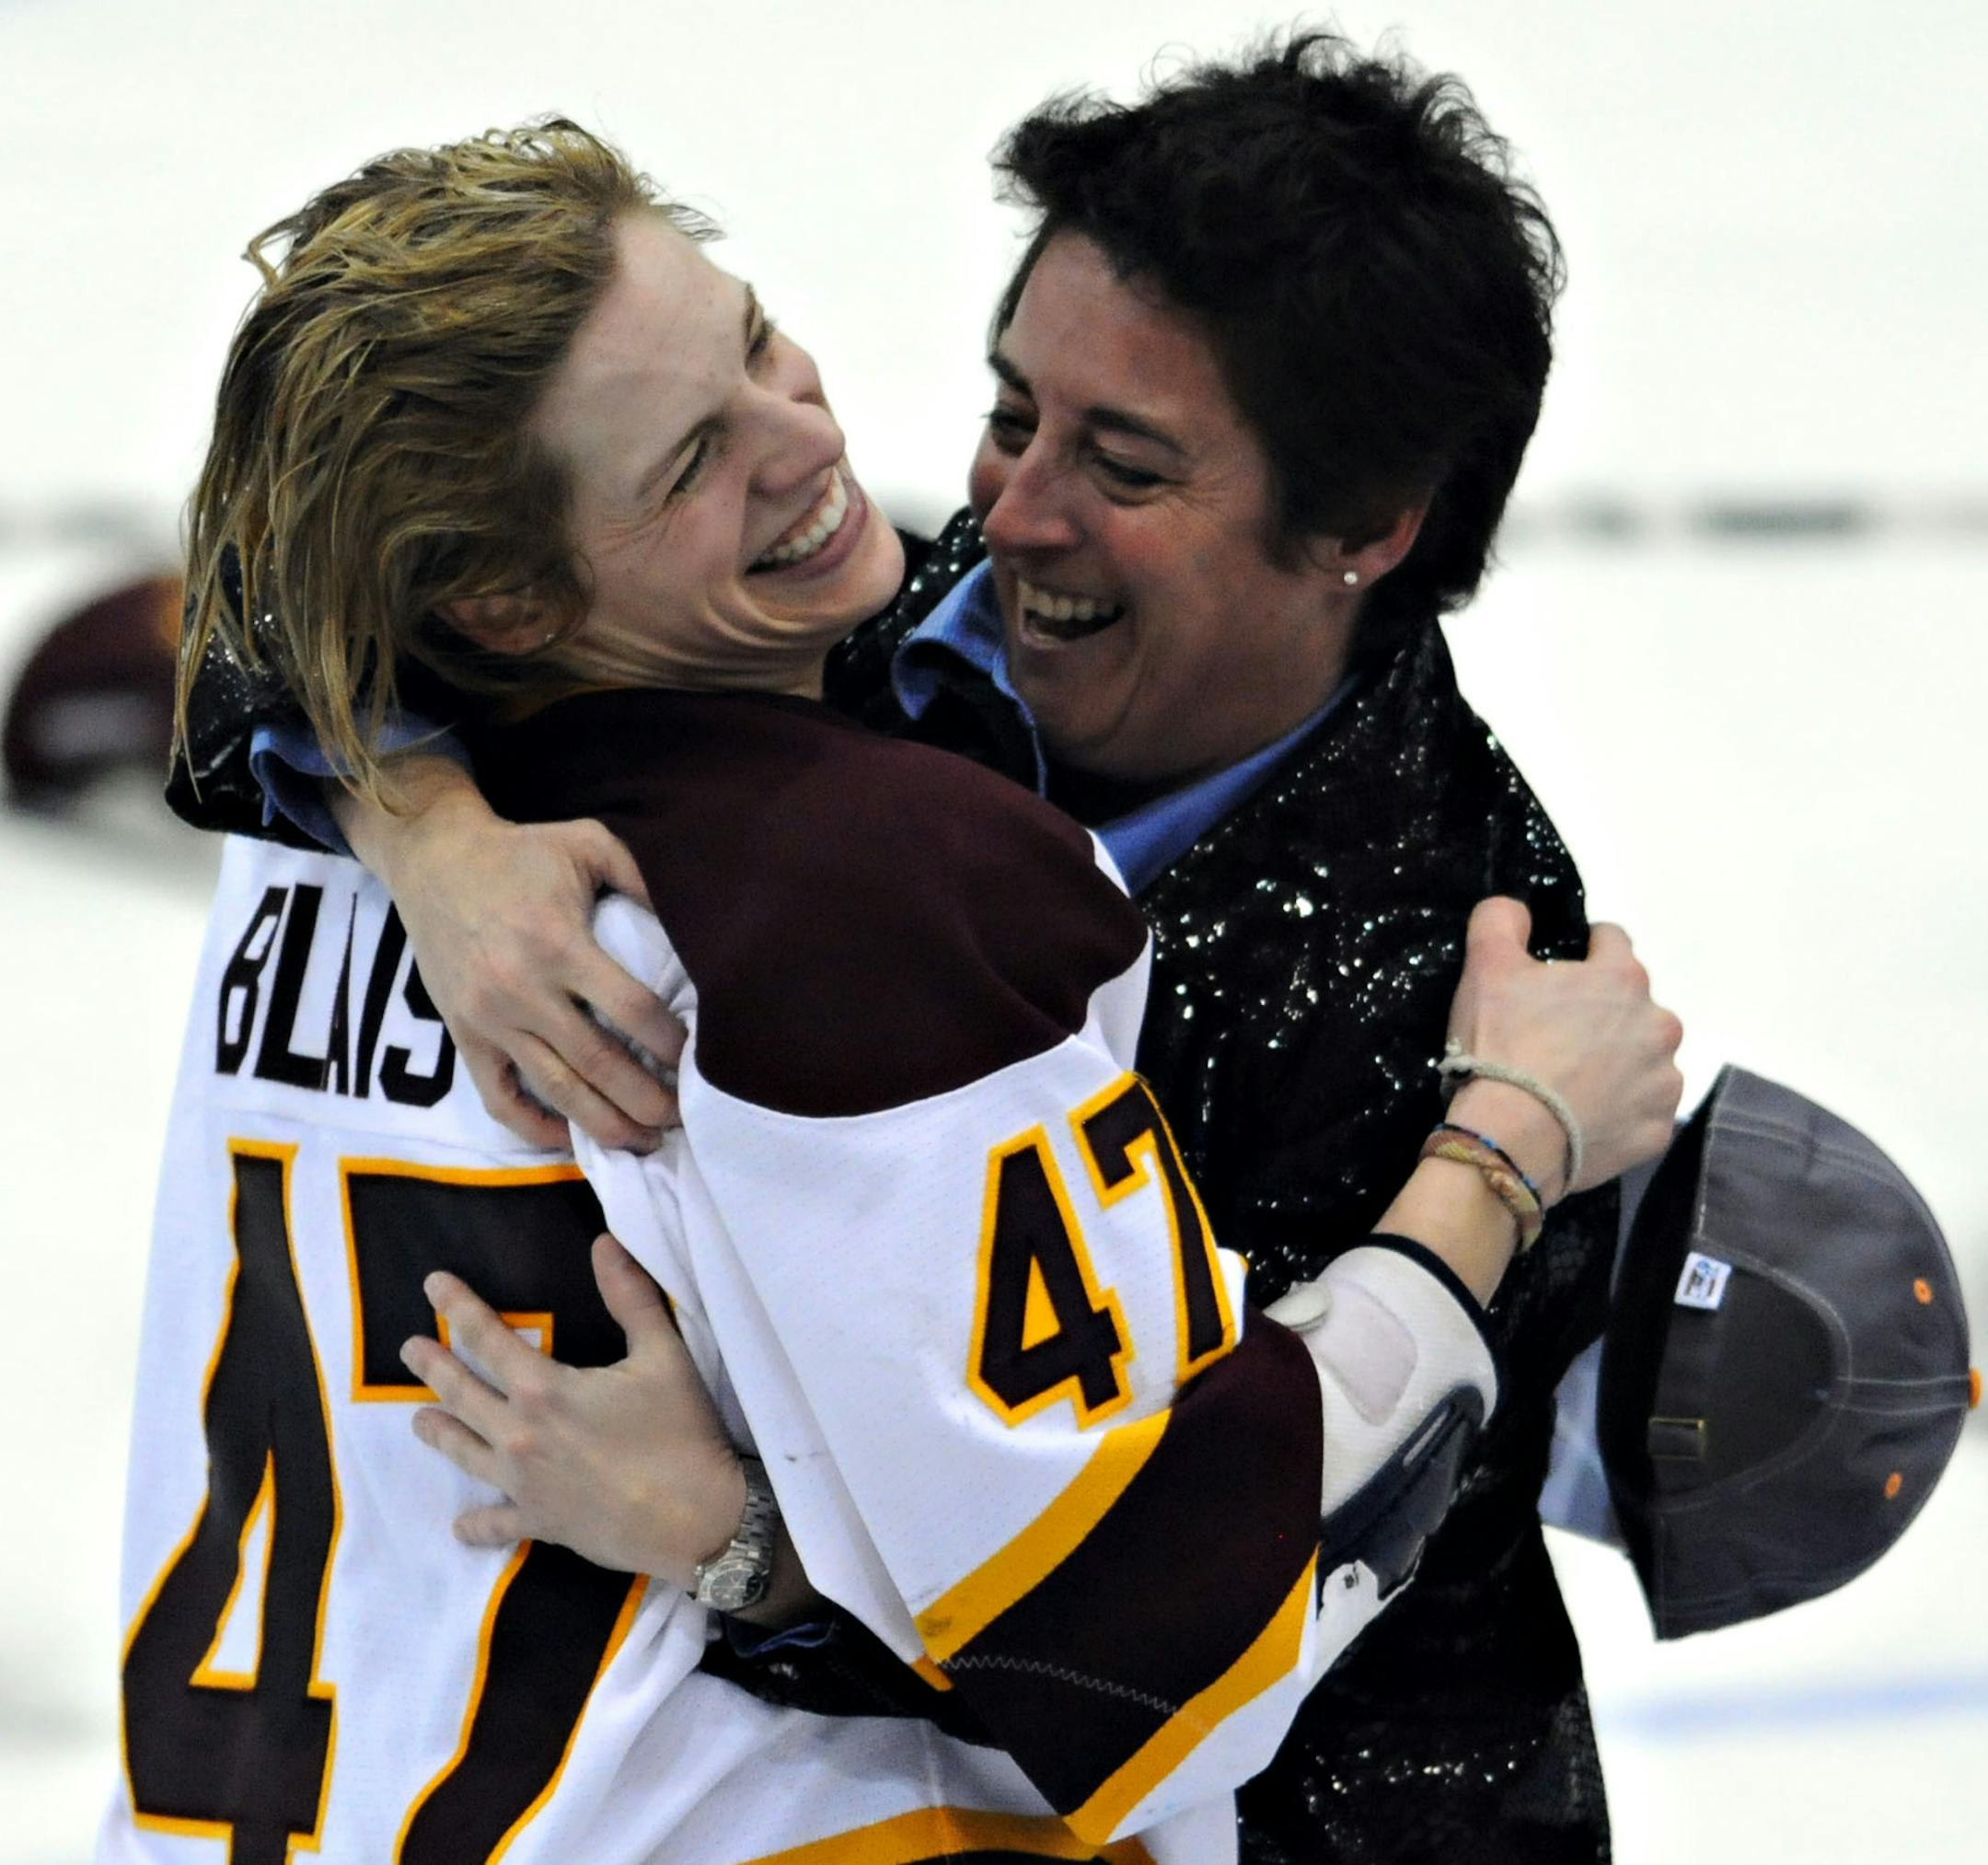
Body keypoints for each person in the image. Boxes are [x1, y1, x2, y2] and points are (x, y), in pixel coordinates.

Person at [122, 110, 1682, 1864]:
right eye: (1013, 412)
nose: (1005, 507)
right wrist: (422, 819)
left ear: (1367, 529)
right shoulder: (841, 638)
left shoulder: (1441, 966)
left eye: (1127, 464)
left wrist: (741, 1539)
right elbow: (293, 585)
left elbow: (1201, 1624)